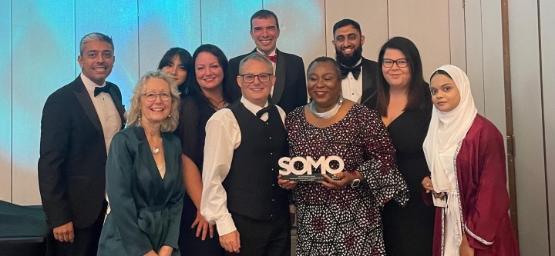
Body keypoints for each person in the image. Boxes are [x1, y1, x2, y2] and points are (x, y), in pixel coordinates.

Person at [279, 57, 409, 256]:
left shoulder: (362, 116)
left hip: (355, 220)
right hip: (311, 222)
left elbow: (386, 158)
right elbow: (291, 164)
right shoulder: (294, 119)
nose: (319, 84)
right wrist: (289, 180)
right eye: (313, 78)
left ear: (339, 82)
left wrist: (354, 176)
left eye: (327, 78)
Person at [38, 32, 125, 256]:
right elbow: (49, 163)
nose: (100, 60)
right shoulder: (61, 100)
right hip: (77, 213)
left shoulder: (114, 91)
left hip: (114, 207)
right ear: (80, 60)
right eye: (92, 54)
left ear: (113, 59)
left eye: (106, 54)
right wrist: (59, 217)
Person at [423, 64, 519, 256]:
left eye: (447, 88)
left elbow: (492, 191)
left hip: (480, 229)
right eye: (434, 91)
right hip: (448, 223)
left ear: (463, 88)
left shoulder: (484, 133)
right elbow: (450, 177)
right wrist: (433, 184)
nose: (439, 95)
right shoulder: (436, 132)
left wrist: (472, 239)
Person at [201, 52, 290, 256]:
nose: (256, 82)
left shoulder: (281, 113)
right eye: (249, 76)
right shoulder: (223, 119)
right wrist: (225, 226)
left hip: (279, 223)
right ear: (239, 81)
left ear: (273, 80)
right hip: (242, 226)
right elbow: (212, 179)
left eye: (263, 76)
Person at [97, 71, 184, 256]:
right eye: (150, 95)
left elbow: (176, 200)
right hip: (126, 241)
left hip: (163, 243)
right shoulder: (123, 141)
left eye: (164, 95)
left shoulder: (173, 143)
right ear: (139, 102)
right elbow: (120, 201)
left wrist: (168, 245)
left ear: (172, 102)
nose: (158, 101)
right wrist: (144, 251)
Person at [375, 37, 435, 256]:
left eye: (402, 62)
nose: (394, 68)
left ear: (414, 64)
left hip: (419, 197)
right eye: (388, 62)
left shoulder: (431, 100)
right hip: (380, 202)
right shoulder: (370, 101)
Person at [174, 44, 230, 255]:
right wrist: (204, 207)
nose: (208, 73)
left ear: (224, 67)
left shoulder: (236, 103)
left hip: (232, 201)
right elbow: (186, 159)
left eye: (213, 66)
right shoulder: (188, 105)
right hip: (200, 203)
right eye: (200, 68)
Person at [226, 9, 307, 113]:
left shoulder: (295, 63)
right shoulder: (235, 64)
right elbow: (233, 103)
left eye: (270, 28)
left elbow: (301, 106)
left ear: (278, 32)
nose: (265, 34)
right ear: (251, 34)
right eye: (258, 29)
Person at [332, 19, 379, 109]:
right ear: (334, 43)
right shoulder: (325, 75)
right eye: (340, 39)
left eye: (352, 37)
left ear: (362, 40)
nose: (346, 44)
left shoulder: (379, 71)